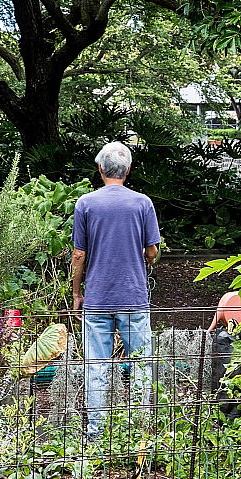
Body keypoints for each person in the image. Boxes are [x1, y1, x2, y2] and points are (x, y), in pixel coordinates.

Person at [71, 141, 161, 440]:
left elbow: (78, 255)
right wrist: (146, 261)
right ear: (128, 170)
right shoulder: (142, 203)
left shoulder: (85, 203)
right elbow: (152, 251)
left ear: (100, 169)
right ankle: (138, 433)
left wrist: (76, 293)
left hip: (97, 298)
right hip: (133, 296)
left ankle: (95, 435)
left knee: (96, 366)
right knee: (141, 364)